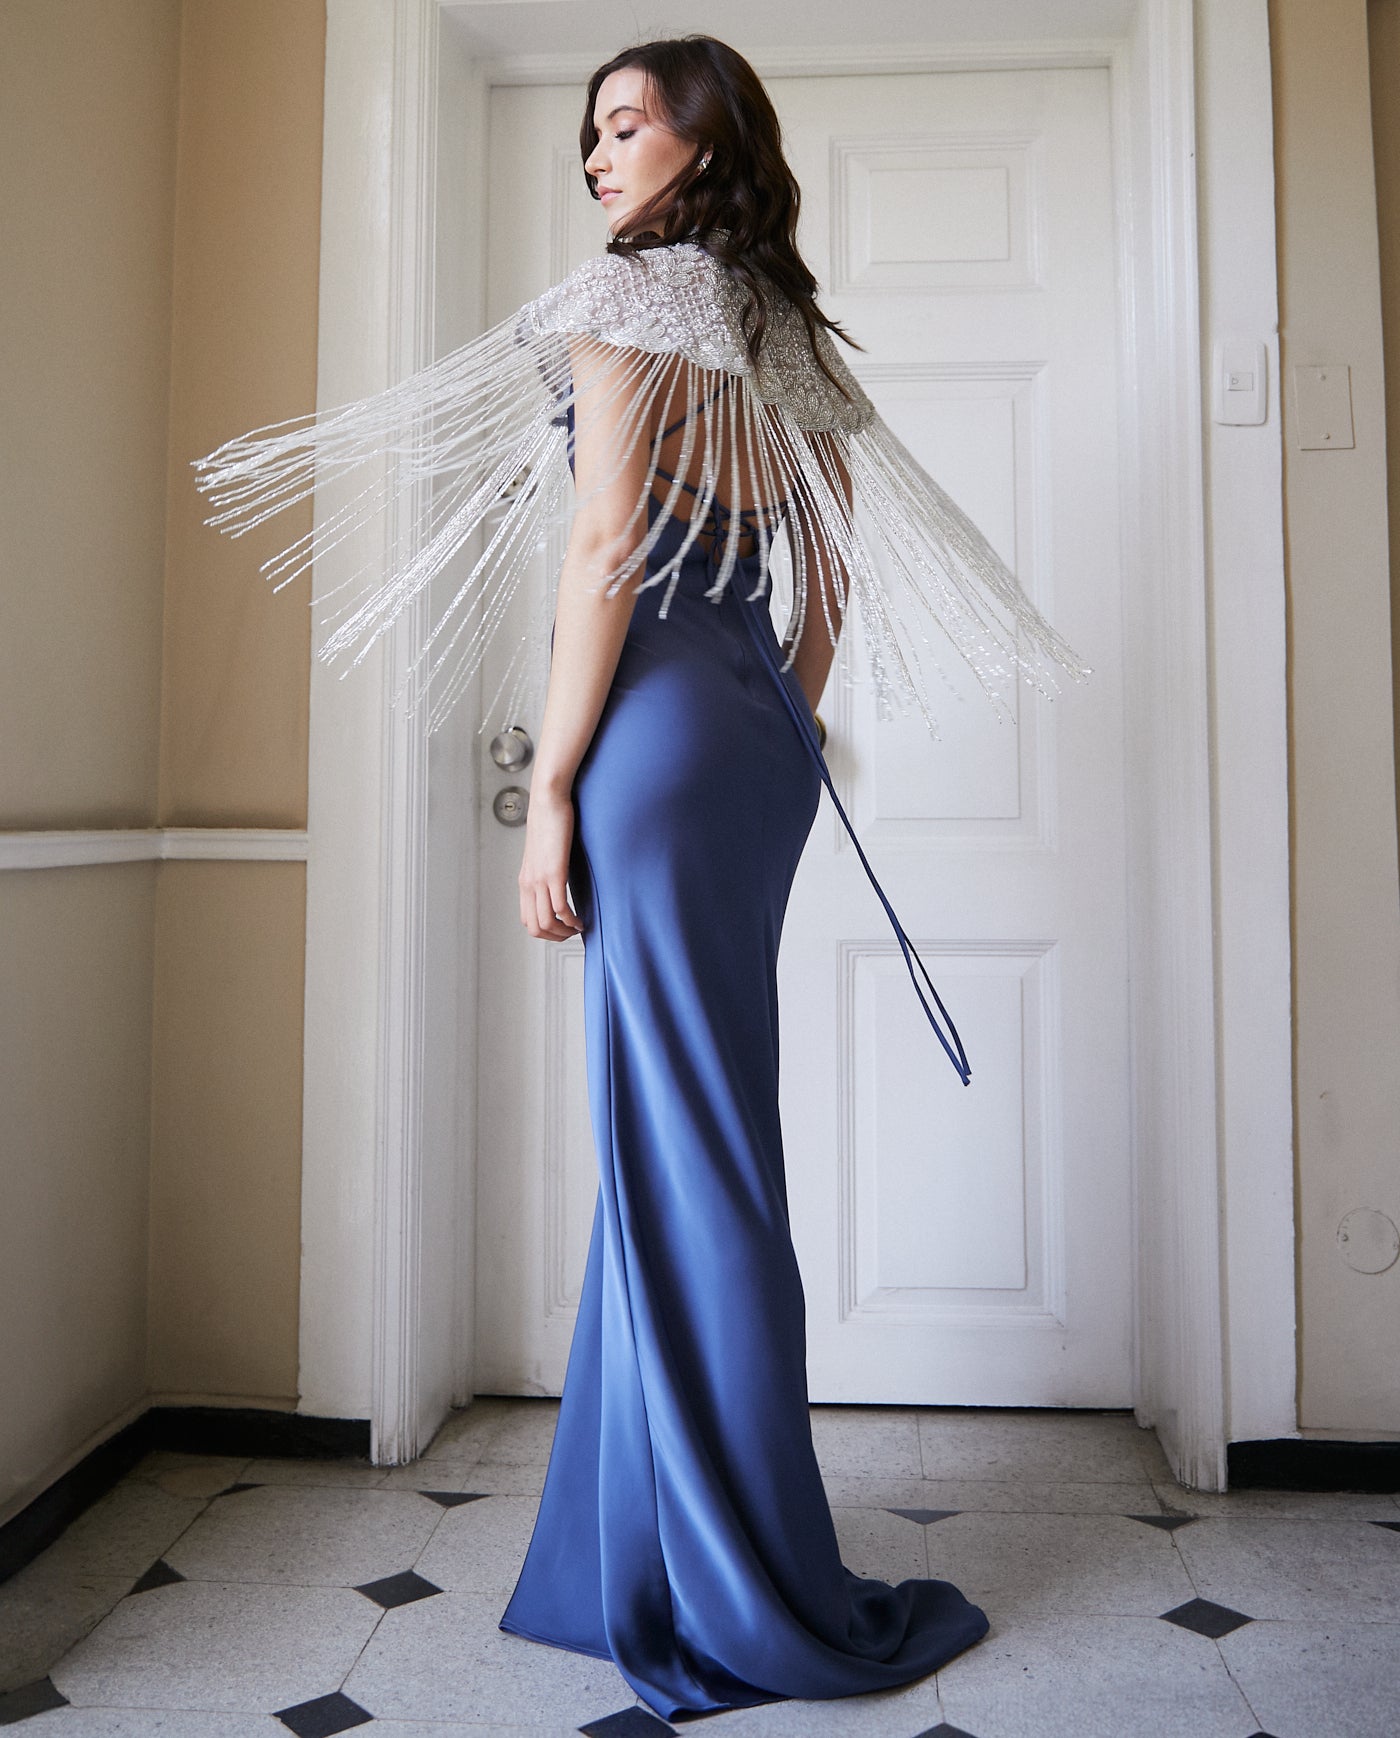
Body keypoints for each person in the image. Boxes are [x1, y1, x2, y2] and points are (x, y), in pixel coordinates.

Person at [192, 31, 1088, 1721]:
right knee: (696, 1139)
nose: (598, 155)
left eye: (626, 124)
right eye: (590, 132)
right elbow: (831, 565)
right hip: (749, 742)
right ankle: (640, 1539)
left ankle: (735, 1580)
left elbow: (604, 545)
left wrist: (552, 796)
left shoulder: (629, 298)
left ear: (705, 139)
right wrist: (783, 712)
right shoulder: (775, 323)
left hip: (655, 737)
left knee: (682, 1147)